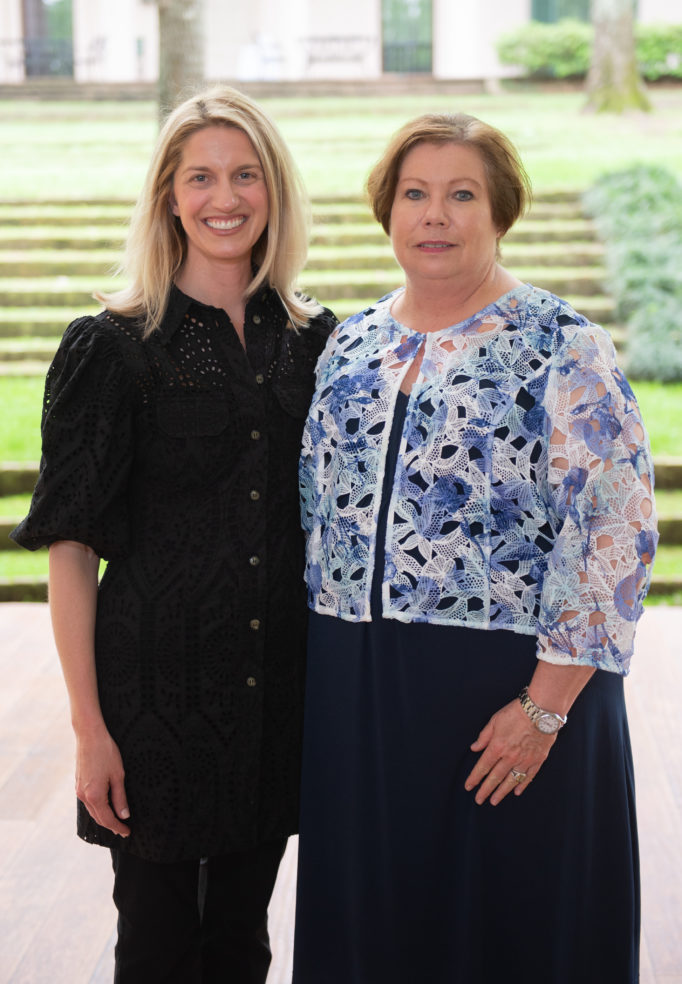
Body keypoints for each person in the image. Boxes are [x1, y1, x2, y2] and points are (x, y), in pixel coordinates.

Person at [293, 112, 658, 984]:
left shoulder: (561, 345)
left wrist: (543, 710)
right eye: (415, 194)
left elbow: (615, 529)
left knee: (514, 935)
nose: (436, 215)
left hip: (516, 695)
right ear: (387, 211)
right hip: (362, 695)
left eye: (463, 195)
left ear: (501, 213)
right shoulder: (351, 345)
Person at [11, 85, 336, 983]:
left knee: (243, 939)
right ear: (167, 194)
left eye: (245, 174)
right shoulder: (111, 347)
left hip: (276, 690)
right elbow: (71, 548)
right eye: (200, 176)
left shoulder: (317, 341)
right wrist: (88, 730)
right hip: (153, 698)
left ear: (275, 191)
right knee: (156, 945)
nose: (223, 197)